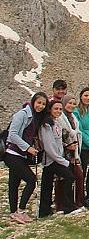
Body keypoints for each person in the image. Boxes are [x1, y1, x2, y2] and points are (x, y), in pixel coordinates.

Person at [5, 92, 48, 224]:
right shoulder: (22, 114)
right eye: (39, 102)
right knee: (31, 180)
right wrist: (28, 148)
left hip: (20, 154)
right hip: (12, 153)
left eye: (43, 104)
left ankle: (14, 212)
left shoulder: (35, 116)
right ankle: (21, 210)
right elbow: (12, 135)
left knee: (14, 183)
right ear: (33, 101)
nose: (40, 106)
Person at [38, 100, 78, 217]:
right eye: (56, 109)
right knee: (69, 176)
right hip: (51, 159)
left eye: (60, 109)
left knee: (47, 184)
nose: (58, 111)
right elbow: (49, 146)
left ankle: (44, 211)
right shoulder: (46, 125)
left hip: (55, 158)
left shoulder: (56, 123)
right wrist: (63, 161)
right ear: (50, 109)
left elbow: (58, 141)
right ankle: (68, 207)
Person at [55, 95, 84, 211]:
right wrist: (67, 145)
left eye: (73, 103)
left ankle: (75, 202)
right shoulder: (60, 117)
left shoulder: (73, 118)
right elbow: (59, 135)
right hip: (63, 152)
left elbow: (75, 132)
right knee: (63, 179)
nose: (71, 106)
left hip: (74, 152)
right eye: (69, 103)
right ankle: (62, 204)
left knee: (76, 177)